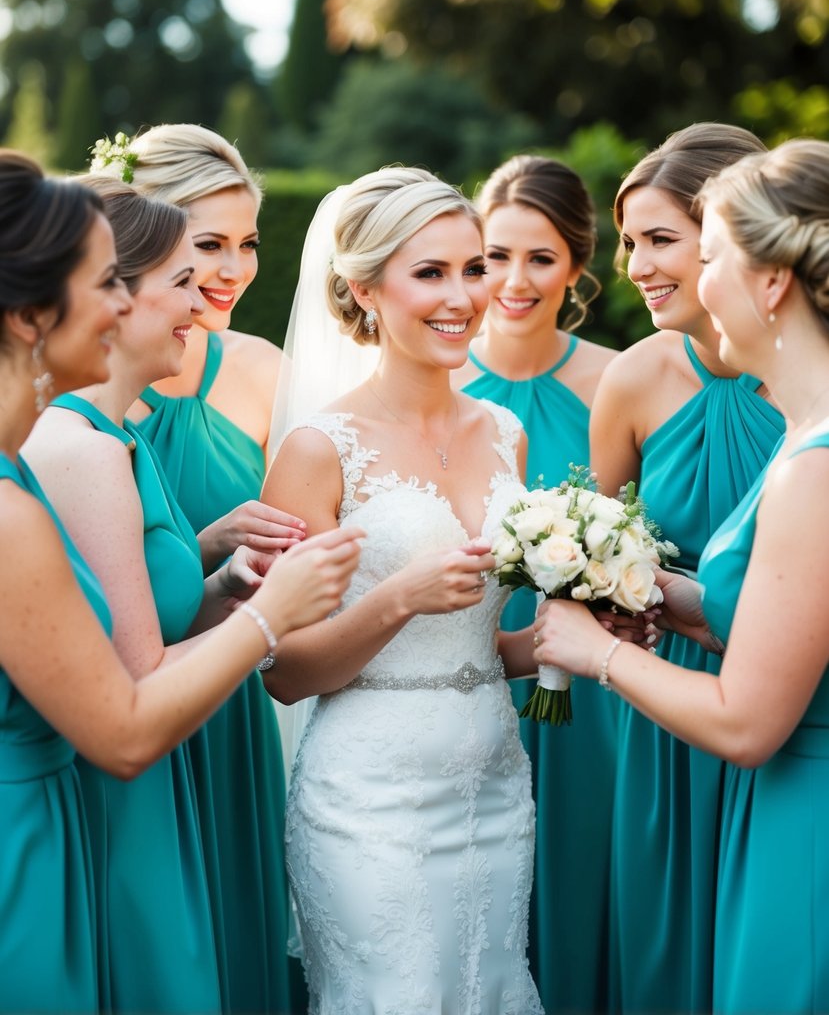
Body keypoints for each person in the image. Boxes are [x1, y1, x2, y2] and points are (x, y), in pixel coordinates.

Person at [0, 151, 361, 1014]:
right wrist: (271, 614)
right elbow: (123, 729)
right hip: (29, 843)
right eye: (107, 284)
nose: (131, 305)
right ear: (28, 315)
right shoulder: (24, 494)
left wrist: (231, 583)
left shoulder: (32, 466)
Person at [533, 137, 829, 1015]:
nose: (694, 283)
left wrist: (594, 651)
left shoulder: (812, 465)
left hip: (800, 816)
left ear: (769, 280)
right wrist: (662, 593)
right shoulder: (800, 440)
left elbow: (745, 724)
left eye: (708, 258)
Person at [261, 167, 543, 1014]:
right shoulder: (319, 450)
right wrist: (397, 598)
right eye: (429, 272)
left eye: (473, 266)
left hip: (494, 780)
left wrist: (558, 644)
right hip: (369, 802)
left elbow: (477, 642)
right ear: (362, 289)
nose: (463, 295)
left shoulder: (505, 432)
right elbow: (283, 670)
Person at [95, 124, 303, 1012]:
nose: (230, 269)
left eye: (247, 243)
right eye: (205, 246)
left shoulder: (261, 373)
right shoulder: (77, 394)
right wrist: (204, 541)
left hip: (226, 705)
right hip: (120, 697)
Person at [587, 123, 785, 1014]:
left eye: (659, 239)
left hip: (786, 693)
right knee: (668, 949)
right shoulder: (631, 381)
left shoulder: (805, 386)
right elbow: (592, 557)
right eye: (629, 241)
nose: (634, 264)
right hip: (665, 704)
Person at [453, 154, 617, 1012]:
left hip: (593, 691)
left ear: (577, 267)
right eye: (493, 257)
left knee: (581, 861)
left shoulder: (616, 382)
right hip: (467, 667)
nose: (512, 282)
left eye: (540, 259)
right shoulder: (438, 383)